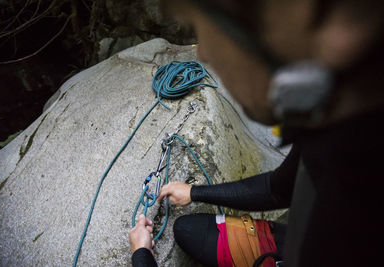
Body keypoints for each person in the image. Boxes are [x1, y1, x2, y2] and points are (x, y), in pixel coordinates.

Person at [129, 0, 384, 266]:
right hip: (296, 236)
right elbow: (279, 188)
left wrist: (141, 255)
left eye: (204, 28)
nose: (202, 53)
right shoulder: (335, 132)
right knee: (188, 229)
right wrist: (194, 192)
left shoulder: (356, 224)